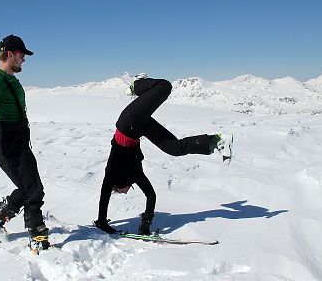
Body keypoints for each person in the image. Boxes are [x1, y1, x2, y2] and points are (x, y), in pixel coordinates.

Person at [94, 76, 232, 235]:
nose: (126, 192)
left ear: (118, 186)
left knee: (164, 87)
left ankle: (137, 84)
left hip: (127, 122)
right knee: (176, 149)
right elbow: (151, 195)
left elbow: (104, 196)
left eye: (123, 191)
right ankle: (217, 141)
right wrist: (146, 224)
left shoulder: (111, 173)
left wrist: (102, 222)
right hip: (138, 129)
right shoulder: (136, 175)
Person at [0, 34, 49, 250]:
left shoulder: (11, 80)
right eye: (22, 55)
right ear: (11, 54)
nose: (24, 59)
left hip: (20, 142)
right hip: (8, 145)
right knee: (33, 190)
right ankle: (38, 237)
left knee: (30, 188)